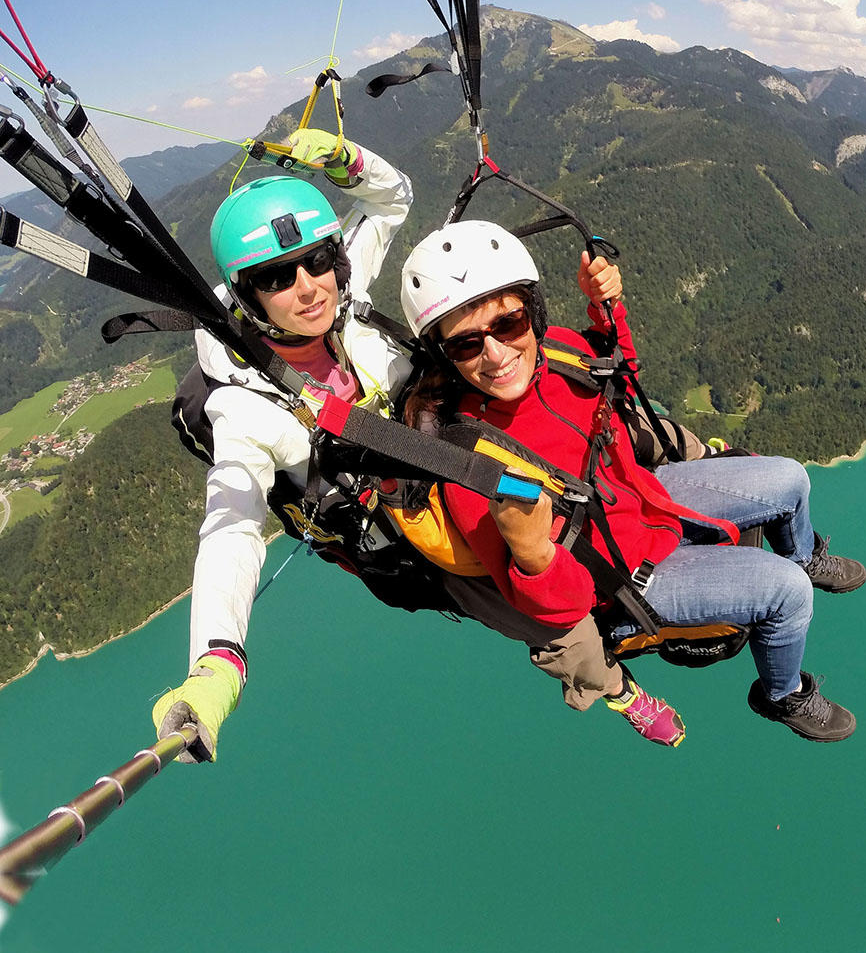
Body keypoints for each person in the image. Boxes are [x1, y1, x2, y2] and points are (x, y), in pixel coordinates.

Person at [152, 129, 683, 761]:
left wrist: (344, 160)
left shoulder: (344, 302)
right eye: (275, 277)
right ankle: (614, 688)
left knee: (619, 434)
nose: (308, 287)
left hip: (462, 438)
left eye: (318, 260)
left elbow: (391, 197)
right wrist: (215, 661)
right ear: (246, 294)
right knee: (550, 616)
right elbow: (229, 528)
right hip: (413, 527)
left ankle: (715, 472)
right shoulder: (243, 408)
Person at [400, 220, 866, 742]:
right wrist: (533, 554)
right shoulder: (472, 467)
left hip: (647, 497)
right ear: (444, 356)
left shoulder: (556, 350)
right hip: (625, 576)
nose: (495, 353)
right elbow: (560, 611)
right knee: (789, 594)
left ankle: (803, 551)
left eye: (508, 324)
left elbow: (617, 374)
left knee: (791, 479)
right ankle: (782, 696)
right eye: (466, 344)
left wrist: (607, 309)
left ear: (533, 314)